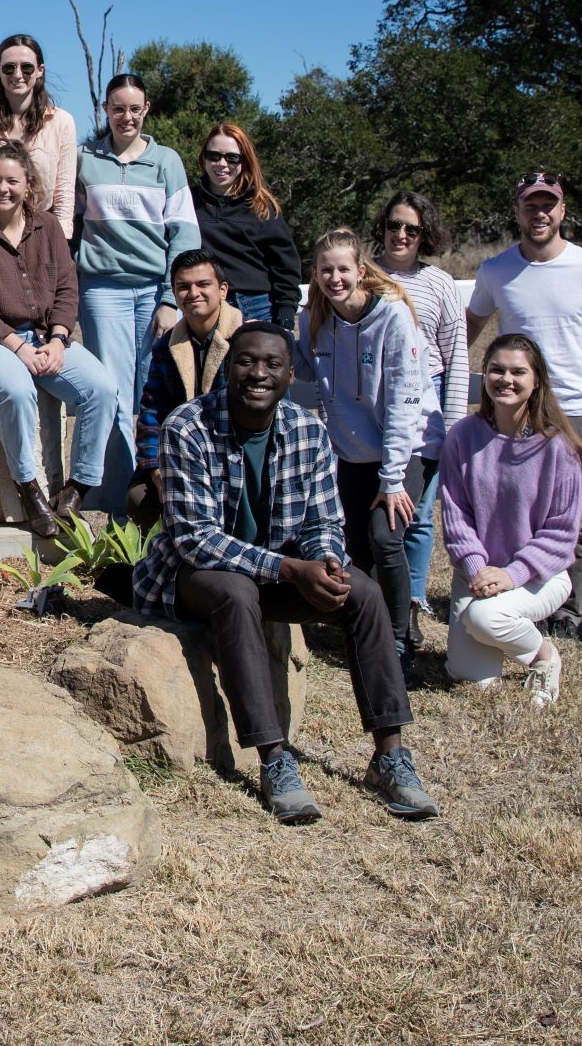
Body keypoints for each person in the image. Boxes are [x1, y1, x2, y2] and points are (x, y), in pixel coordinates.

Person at [130, 322, 440, 825]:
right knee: (234, 592)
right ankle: (274, 758)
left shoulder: (306, 428)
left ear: (290, 374)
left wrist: (327, 562)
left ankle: (390, 754)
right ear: (228, 367)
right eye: (247, 361)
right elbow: (193, 538)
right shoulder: (186, 427)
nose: (258, 373)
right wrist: (289, 567)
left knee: (362, 592)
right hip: (196, 576)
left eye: (272, 364)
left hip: (278, 574)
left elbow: (323, 520)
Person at [466, 169, 582, 639]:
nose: (539, 213)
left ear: (563, 211)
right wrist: (453, 387)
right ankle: (518, 600)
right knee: (514, 511)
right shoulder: (497, 270)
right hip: (516, 414)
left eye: (548, 205)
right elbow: (468, 327)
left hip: (576, 412)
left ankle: (568, 611)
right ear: (518, 211)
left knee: (574, 518)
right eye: (530, 204)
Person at [0, 141, 117, 535]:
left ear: (28, 184)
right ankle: (29, 489)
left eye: (12, 181)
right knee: (19, 391)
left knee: (102, 389)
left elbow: (66, 289)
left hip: (43, 338)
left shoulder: (49, 227)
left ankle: (75, 491)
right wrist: (19, 348)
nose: (3, 189)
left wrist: (57, 340)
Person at [292, 229, 429, 680]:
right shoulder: (315, 318)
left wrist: (392, 480)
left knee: (386, 538)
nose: (335, 278)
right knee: (353, 546)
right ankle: (366, 628)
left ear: (361, 271)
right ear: (316, 274)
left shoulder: (392, 318)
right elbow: (307, 370)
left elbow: (404, 403)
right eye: (326, 270)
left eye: (343, 269)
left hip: (398, 452)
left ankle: (400, 635)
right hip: (348, 455)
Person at [438, 335, 582, 705]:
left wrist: (510, 575)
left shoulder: (558, 448)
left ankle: (543, 655)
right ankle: (503, 634)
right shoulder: (463, 436)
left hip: (539, 575)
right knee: (472, 679)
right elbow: (456, 517)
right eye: (496, 369)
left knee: (485, 620)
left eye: (518, 372)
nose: (505, 379)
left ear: (536, 380)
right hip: (476, 575)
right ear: (484, 375)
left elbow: (560, 535)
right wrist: (478, 569)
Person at [74, 74, 199, 495]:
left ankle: (161, 493)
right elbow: (67, 225)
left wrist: (170, 298)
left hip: (154, 291)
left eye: (134, 109)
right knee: (110, 393)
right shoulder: (84, 159)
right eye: (117, 108)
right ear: (105, 110)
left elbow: (183, 237)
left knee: (155, 391)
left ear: (146, 111)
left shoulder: (167, 162)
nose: (126, 117)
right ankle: (115, 501)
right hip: (101, 289)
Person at [373, 190, 470, 647]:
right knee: (374, 507)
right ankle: (376, 604)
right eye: (395, 225)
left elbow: (456, 358)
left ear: (424, 234)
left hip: (425, 405)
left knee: (419, 517)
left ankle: (410, 605)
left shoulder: (440, 284)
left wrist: (452, 430)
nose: (401, 235)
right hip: (372, 406)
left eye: (412, 228)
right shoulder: (365, 275)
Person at [131, 248, 244, 521]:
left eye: (203, 284)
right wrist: (157, 470)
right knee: (138, 499)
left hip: (236, 455)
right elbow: (151, 411)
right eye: (183, 287)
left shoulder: (247, 340)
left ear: (223, 290)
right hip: (183, 452)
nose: (193, 293)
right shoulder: (166, 346)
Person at [0, 34, 79, 236]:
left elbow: (64, 193)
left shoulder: (62, 123)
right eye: (9, 67)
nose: (18, 74)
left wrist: (61, 240)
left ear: (40, 71)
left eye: (27, 67)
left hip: (44, 231)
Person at [191, 122, 300, 326]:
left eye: (232, 158)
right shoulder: (187, 202)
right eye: (214, 156)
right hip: (206, 305)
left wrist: (285, 311)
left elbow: (285, 265)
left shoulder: (262, 207)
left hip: (256, 306)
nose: (222, 164)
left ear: (244, 162)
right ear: (204, 158)